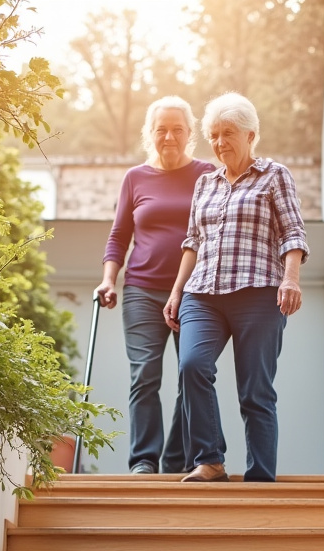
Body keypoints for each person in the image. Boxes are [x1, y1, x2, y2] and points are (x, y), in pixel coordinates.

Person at [163, 92, 308, 483]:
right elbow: (192, 241)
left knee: (254, 389)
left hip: (259, 292)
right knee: (192, 365)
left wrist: (290, 278)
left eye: (229, 133)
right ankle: (210, 459)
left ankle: (261, 477)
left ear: (251, 135)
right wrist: (177, 291)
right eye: (213, 134)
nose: (220, 142)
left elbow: (292, 231)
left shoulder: (274, 175)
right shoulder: (205, 184)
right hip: (203, 294)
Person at [95, 96, 218, 474]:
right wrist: (108, 280)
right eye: (161, 129)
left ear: (189, 133)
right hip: (142, 291)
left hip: (195, 293)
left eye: (177, 129)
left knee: (191, 373)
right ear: (150, 133)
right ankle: (144, 461)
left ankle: (177, 459)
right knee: (145, 374)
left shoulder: (207, 174)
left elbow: (215, 231)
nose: (169, 136)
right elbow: (119, 235)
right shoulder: (135, 178)